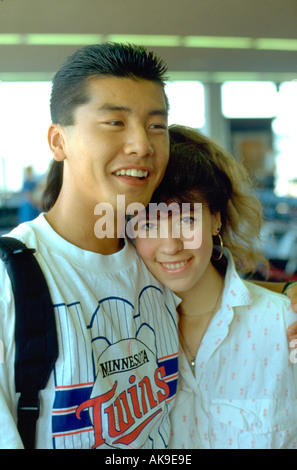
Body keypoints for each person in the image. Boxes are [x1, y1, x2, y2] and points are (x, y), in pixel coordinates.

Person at [0, 43, 180, 449]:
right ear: (58, 141)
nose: (142, 146)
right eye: (115, 122)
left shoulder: (168, 264)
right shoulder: (10, 282)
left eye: (156, 126)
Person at [133, 124, 297, 449]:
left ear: (216, 218)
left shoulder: (283, 322)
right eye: (148, 224)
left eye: (186, 220)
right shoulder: (124, 335)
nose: (170, 246)